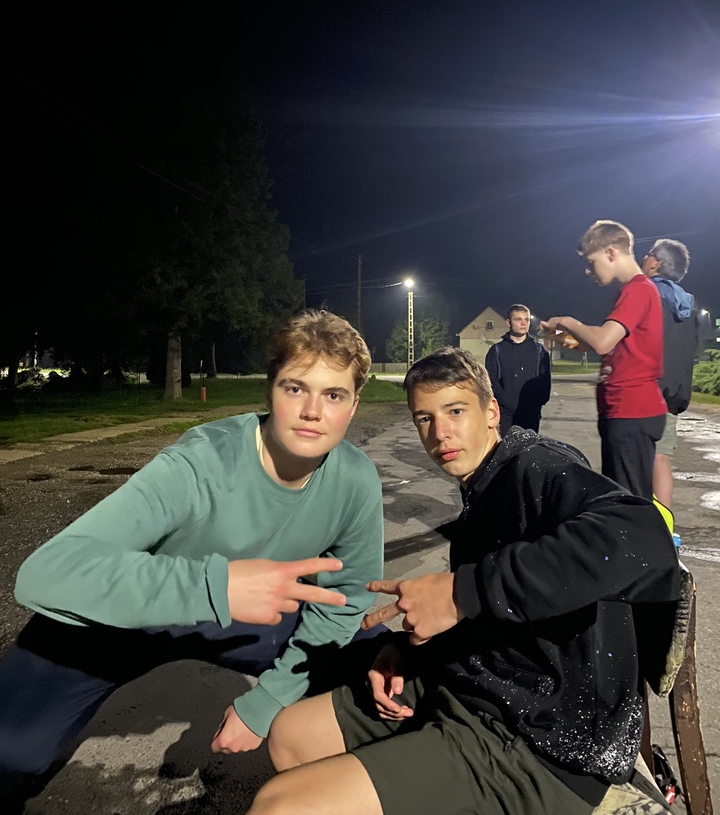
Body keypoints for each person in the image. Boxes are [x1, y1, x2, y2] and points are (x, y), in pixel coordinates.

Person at [246, 347, 679, 815]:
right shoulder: (482, 486)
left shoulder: (535, 467)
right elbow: (503, 617)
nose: (440, 433)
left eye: (455, 411)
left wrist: (460, 592)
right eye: (425, 419)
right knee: (290, 736)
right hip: (476, 687)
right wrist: (409, 650)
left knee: (277, 806)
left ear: (491, 412)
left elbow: (643, 538)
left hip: (542, 741)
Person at [0, 310, 384, 804]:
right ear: (270, 391)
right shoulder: (201, 460)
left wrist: (266, 703)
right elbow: (46, 573)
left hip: (244, 613)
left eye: (333, 395)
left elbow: (346, 603)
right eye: (295, 388)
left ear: (353, 406)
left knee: (377, 659)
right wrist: (214, 585)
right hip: (129, 612)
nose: (313, 411)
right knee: (13, 751)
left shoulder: (354, 480)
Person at [540, 219, 667, 501]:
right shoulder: (632, 291)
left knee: (629, 502)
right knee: (621, 498)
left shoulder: (638, 289)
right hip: (622, 411)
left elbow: (602, 341)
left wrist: (568, 321)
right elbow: (595, 344)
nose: (588, 271)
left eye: (591, 262)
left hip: (631, 411)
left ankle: (644, 533)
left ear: (611, 252)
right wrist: (559, 336)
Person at [642, 239, 699, 510]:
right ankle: (664, 523)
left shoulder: (647, 293)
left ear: (657, 264)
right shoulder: (688, 304)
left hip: (645, 388)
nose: (644, 257)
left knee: (635, 458)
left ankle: (634, 521)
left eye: (649, 254)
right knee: (661, 458)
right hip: (674, 390)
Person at [485, 303, 551, 435]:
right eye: (518, 319)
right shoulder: (497, 350)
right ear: (508, 322)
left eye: (526, 319)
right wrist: (504, 400)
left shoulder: (538, 350)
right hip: (505, 415)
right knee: (505, 447)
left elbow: (545, 378)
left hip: (531, 413)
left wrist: (539, 400)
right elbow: (490, 379)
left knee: (528, 447)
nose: (523, 323)